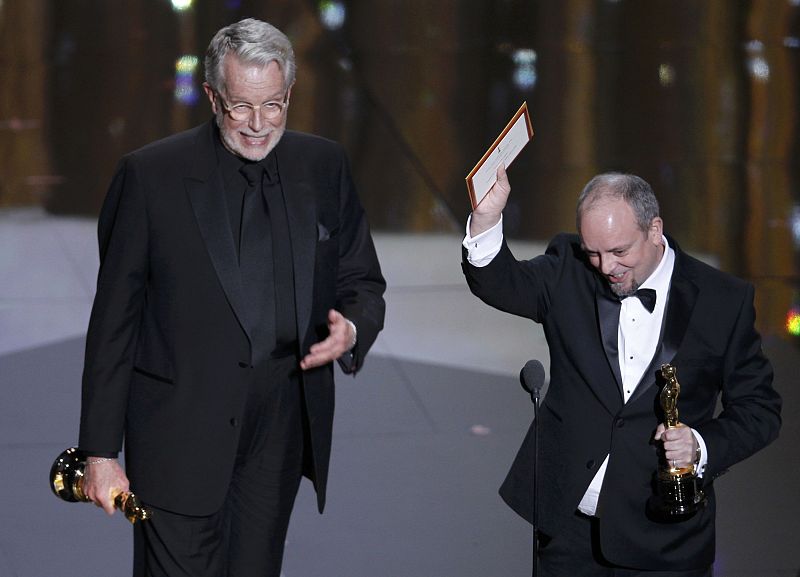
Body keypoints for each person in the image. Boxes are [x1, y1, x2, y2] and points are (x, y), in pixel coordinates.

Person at [77, 18, 386, 577]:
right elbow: (113, 324)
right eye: (241, 106)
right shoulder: (149, 177)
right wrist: (99, 454)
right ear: (214, 97)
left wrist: (353, 329)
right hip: (178, 431)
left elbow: (361, 280)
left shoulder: (323, 166)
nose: (258, 123)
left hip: (280, 430)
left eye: (273, 105)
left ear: (290, 93)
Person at [462, 166, 781, 575]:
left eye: (619, 251)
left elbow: (760, 410)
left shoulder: (723, 300)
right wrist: (487, 218)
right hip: (568, 535)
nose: (606, 266)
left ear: (654, 229)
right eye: (594, 252)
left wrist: (700, 446)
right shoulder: (569, 269)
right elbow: (500, 283)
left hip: (665, 540)